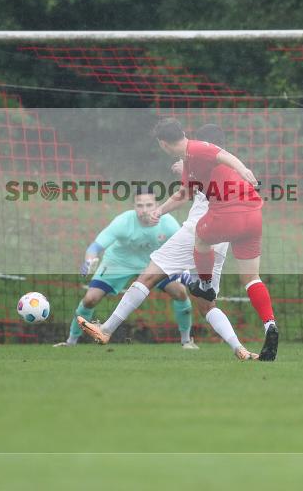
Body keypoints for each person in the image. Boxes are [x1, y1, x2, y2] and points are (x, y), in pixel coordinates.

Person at [79, 124, 259, 360]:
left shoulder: (200, 153)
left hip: (199, 231)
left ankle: (105, 330)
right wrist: (161, 209)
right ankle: (240, 349)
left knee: (148, 276)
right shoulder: (204, 165)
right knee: (207, 304)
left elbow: (218, 156)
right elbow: (186, 191)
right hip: (221, 239)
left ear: (163, 143)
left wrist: (243, 169)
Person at [151, 118, 279, 361]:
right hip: (254, 217)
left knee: (200, 235)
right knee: (252, 278)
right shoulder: (224, 161)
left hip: (228, 217)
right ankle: (269, 324)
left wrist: (184, 170)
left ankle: (206, 285)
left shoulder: (200, 157)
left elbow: (187, 190)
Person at [55, 189, 195, 348]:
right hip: (118, 262)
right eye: (140, 205)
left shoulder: (168, 223)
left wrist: (184, 270)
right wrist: (89, 260)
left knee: (181, 292)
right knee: (90, 299)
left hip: (154, 263)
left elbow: (183, 248)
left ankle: (186, 341)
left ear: (157, 205)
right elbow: (95, 247)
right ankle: (71, 342)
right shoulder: (122, 222)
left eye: (149, 205)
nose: (144, 210)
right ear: (134, 207)